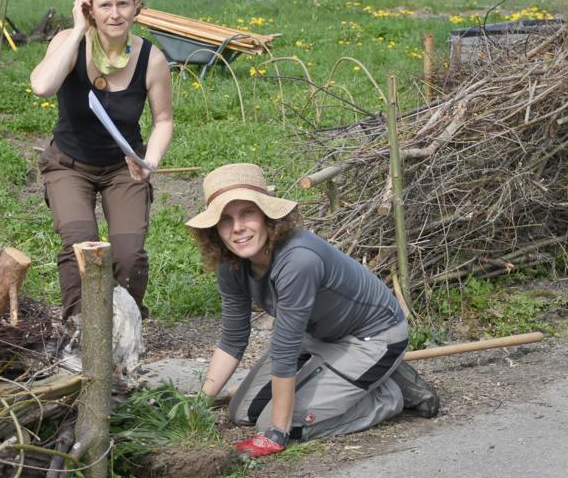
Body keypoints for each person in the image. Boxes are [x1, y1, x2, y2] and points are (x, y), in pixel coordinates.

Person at [185, 163, 439, 457]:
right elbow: (232, 340)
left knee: (276, 424)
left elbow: (285, 347)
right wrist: (195, 408)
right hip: (320, 337)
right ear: (215, 230)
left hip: (373, 337)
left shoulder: (298, 260)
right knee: (241, 412)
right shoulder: (231, 264)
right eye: (226, 220)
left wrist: (277, 434)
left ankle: (390, 394)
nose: (238, 228)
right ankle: (361, 380)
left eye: (247, 213)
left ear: (267, 216)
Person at [30, 0, 172, 322]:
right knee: (81, 245)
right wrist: (78, 31)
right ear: (88, 8)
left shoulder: (151, 59)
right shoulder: (69, 42)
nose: (114, 13)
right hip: (69, 164)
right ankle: (81, 329)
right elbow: (43, 87)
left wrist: (149, 160)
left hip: (123, 168)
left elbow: (163, 120)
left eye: (123, 4)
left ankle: (124, 328)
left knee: (128, 255)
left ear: (137, 6)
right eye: (105, 5)